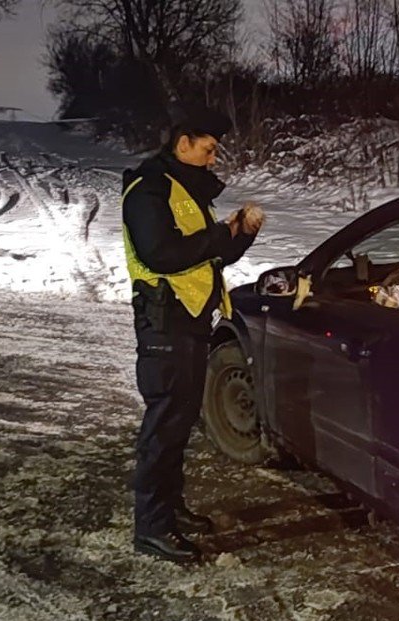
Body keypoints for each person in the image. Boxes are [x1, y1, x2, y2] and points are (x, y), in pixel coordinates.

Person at [121, 109, 263, 564]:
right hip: (165, 322)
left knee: (179, 423)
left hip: (190, 321)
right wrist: (221, 234)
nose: (212, 155)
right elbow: (161, 254)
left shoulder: (184, 191)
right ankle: (152, 526)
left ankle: (170, 509)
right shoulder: (149, 190)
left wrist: (239, 235)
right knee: (163, 427)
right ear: (183, 143)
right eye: (207, 147)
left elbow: (205, 257)